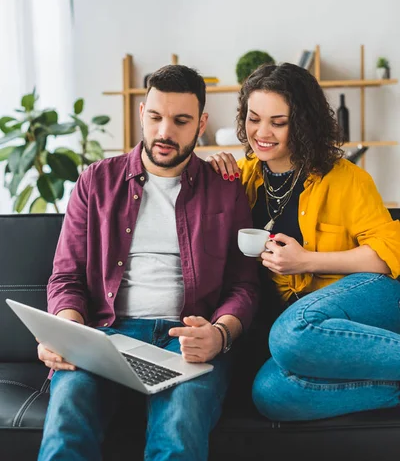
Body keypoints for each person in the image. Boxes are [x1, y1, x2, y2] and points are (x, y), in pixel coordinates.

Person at [37, 64, 259, 461]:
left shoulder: (225, 189)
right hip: (105, 336)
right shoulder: (95, 181)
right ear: (142, 112)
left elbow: (243, 285)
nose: (164, 132)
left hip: (187, 341)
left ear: (201, 123)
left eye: (181, 120)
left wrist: (220, 335)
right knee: (66, 423)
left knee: (177, 434)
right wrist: (67, 331)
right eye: (155, 117)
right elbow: (66, 276)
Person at [205, 61, 400, 421]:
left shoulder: (347, 178)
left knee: (290, 334)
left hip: (368, 297)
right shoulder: (241, 177)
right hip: (312, 334)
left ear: (304, 123)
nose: (261, 132)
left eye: (278, 123)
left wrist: (306, 261)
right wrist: (210, 174)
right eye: (253, 118)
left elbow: (387, 257)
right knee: (270, 393)